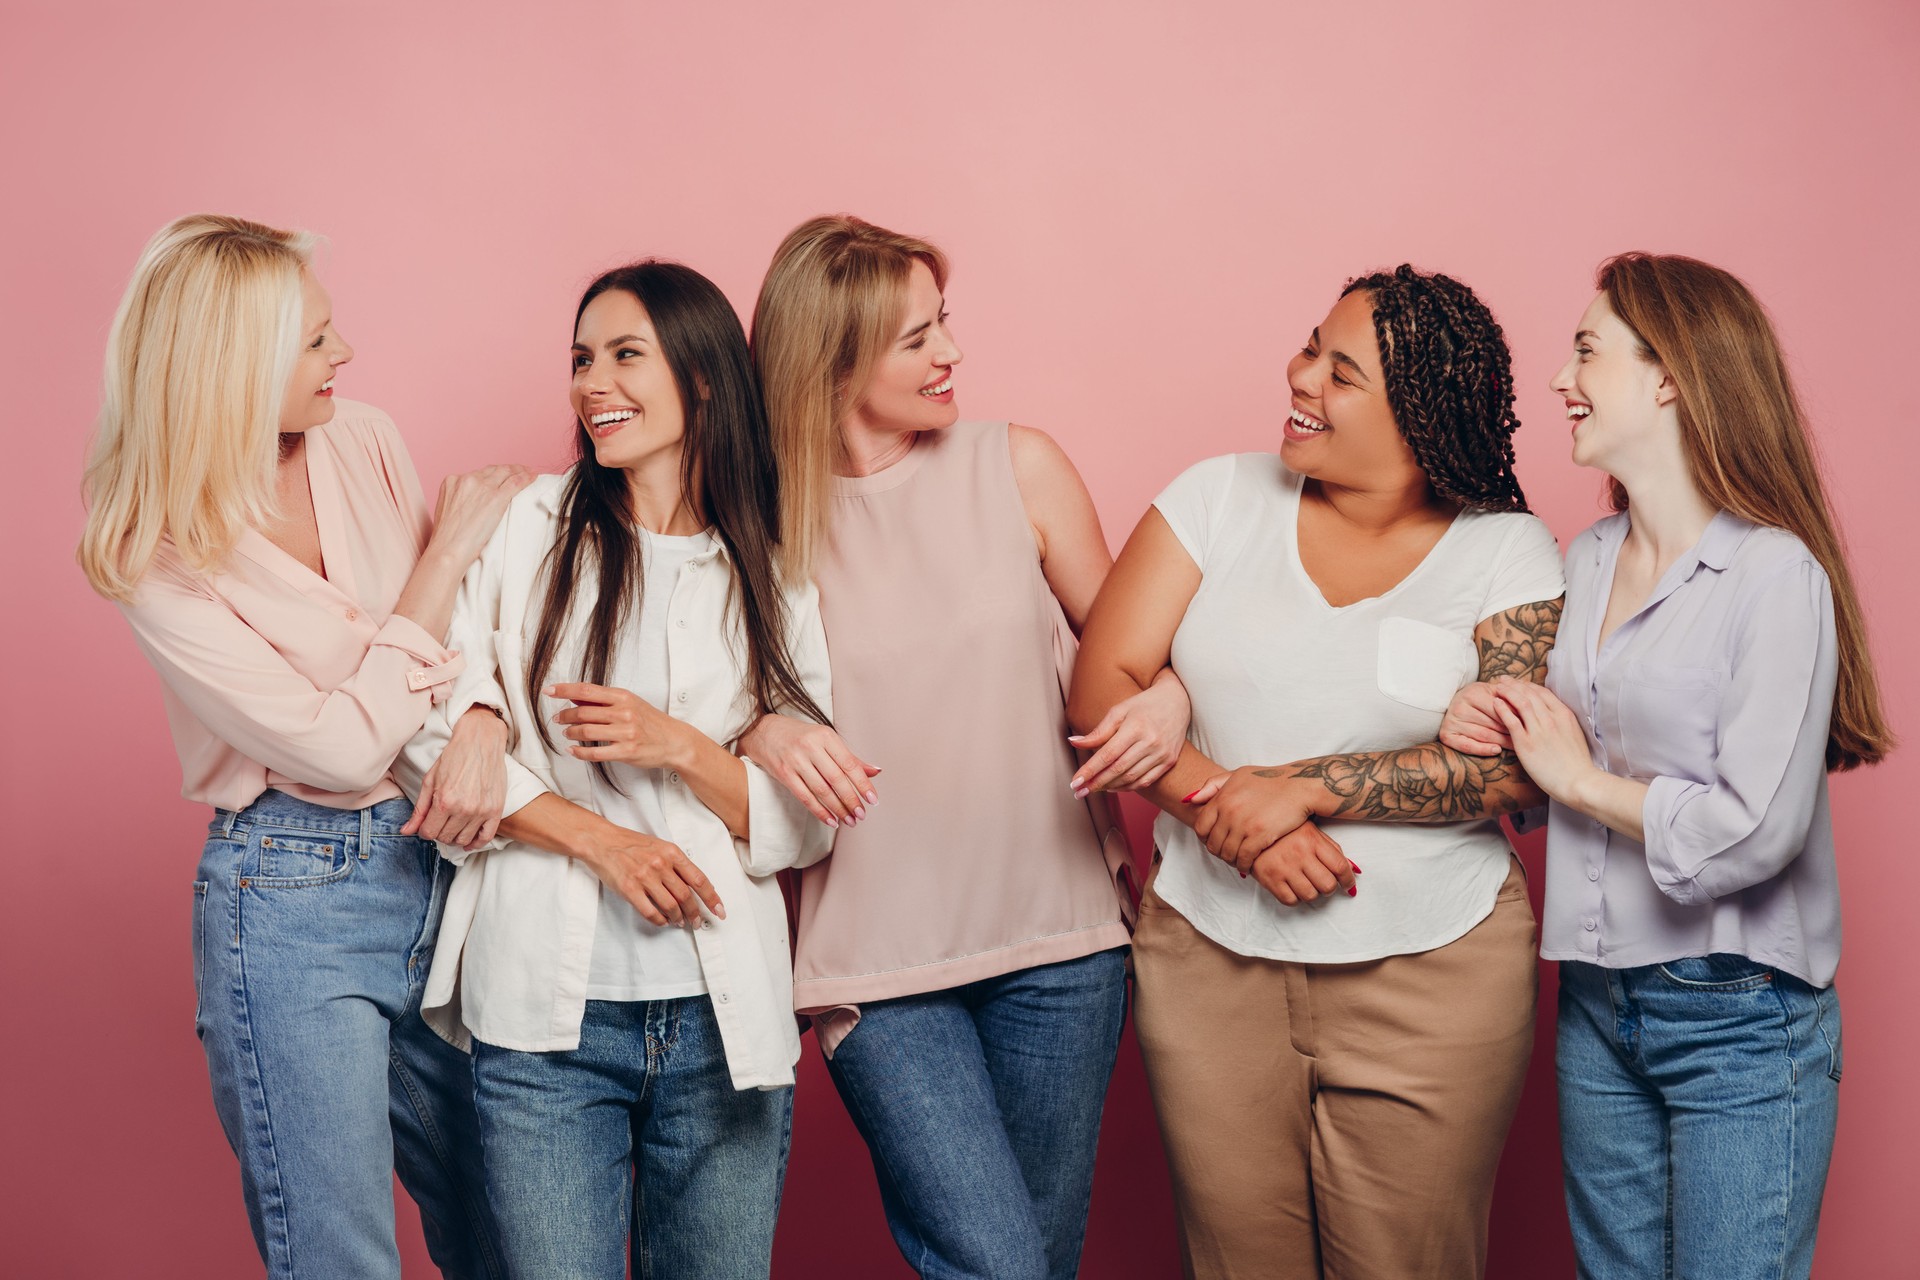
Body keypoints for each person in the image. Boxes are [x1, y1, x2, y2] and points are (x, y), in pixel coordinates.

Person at [1071, 265, 1567, 1279]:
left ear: (1422, 416)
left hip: (1436, 973)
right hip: (1209, 961)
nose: (1301, 378)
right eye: (1310, 349)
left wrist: (1303, 784)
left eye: (1342, 372)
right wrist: (1233, 820)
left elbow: (1519, 768)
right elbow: (1101, 690)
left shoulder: (1507, 550)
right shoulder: (1216, 497)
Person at [78, 214, 527, 1280]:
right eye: (317, 341)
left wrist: (483, 719)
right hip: (289, 896)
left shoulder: (361, 435)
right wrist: (447, 552)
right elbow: (337, 746)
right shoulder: (149, 545)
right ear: (233, 367)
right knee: (339, 1256)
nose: (347, 357)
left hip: (445, 862)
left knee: (519, 1230)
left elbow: (465, 648)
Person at [739, 214, 1187, 1280]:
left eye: (945, 325)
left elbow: (1134, 653)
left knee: (1035, 1260)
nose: (951, 355)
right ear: (833, 358)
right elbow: (705, 701)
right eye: (916, 338)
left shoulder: (1018, 465)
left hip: (1061, 942)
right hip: (877, 964)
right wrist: (765, 723)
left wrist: (1168, 700)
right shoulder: (753, 523)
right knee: (997, 1262)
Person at [1440, 253, 1893, 1280]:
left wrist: (1577, 780)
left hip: (1741, 1013)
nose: (1560, 378)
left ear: (1672, 375)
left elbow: (1755, 830)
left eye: (1587, 349)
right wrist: (1491, 715)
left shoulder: (1776, 574)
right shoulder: (1584, 556)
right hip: (1600, 1003)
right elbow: (1554, 743)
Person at [398, 260, 833, 1280]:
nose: (594, 383)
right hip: (546, 1023)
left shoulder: (769, 565)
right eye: (582, 358)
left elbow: (807, 823)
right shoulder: (526, 527)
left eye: (626, 355)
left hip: (722, 1021)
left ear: (706, 380)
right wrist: (589, 828)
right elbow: (427, 725)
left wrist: (676, 743)